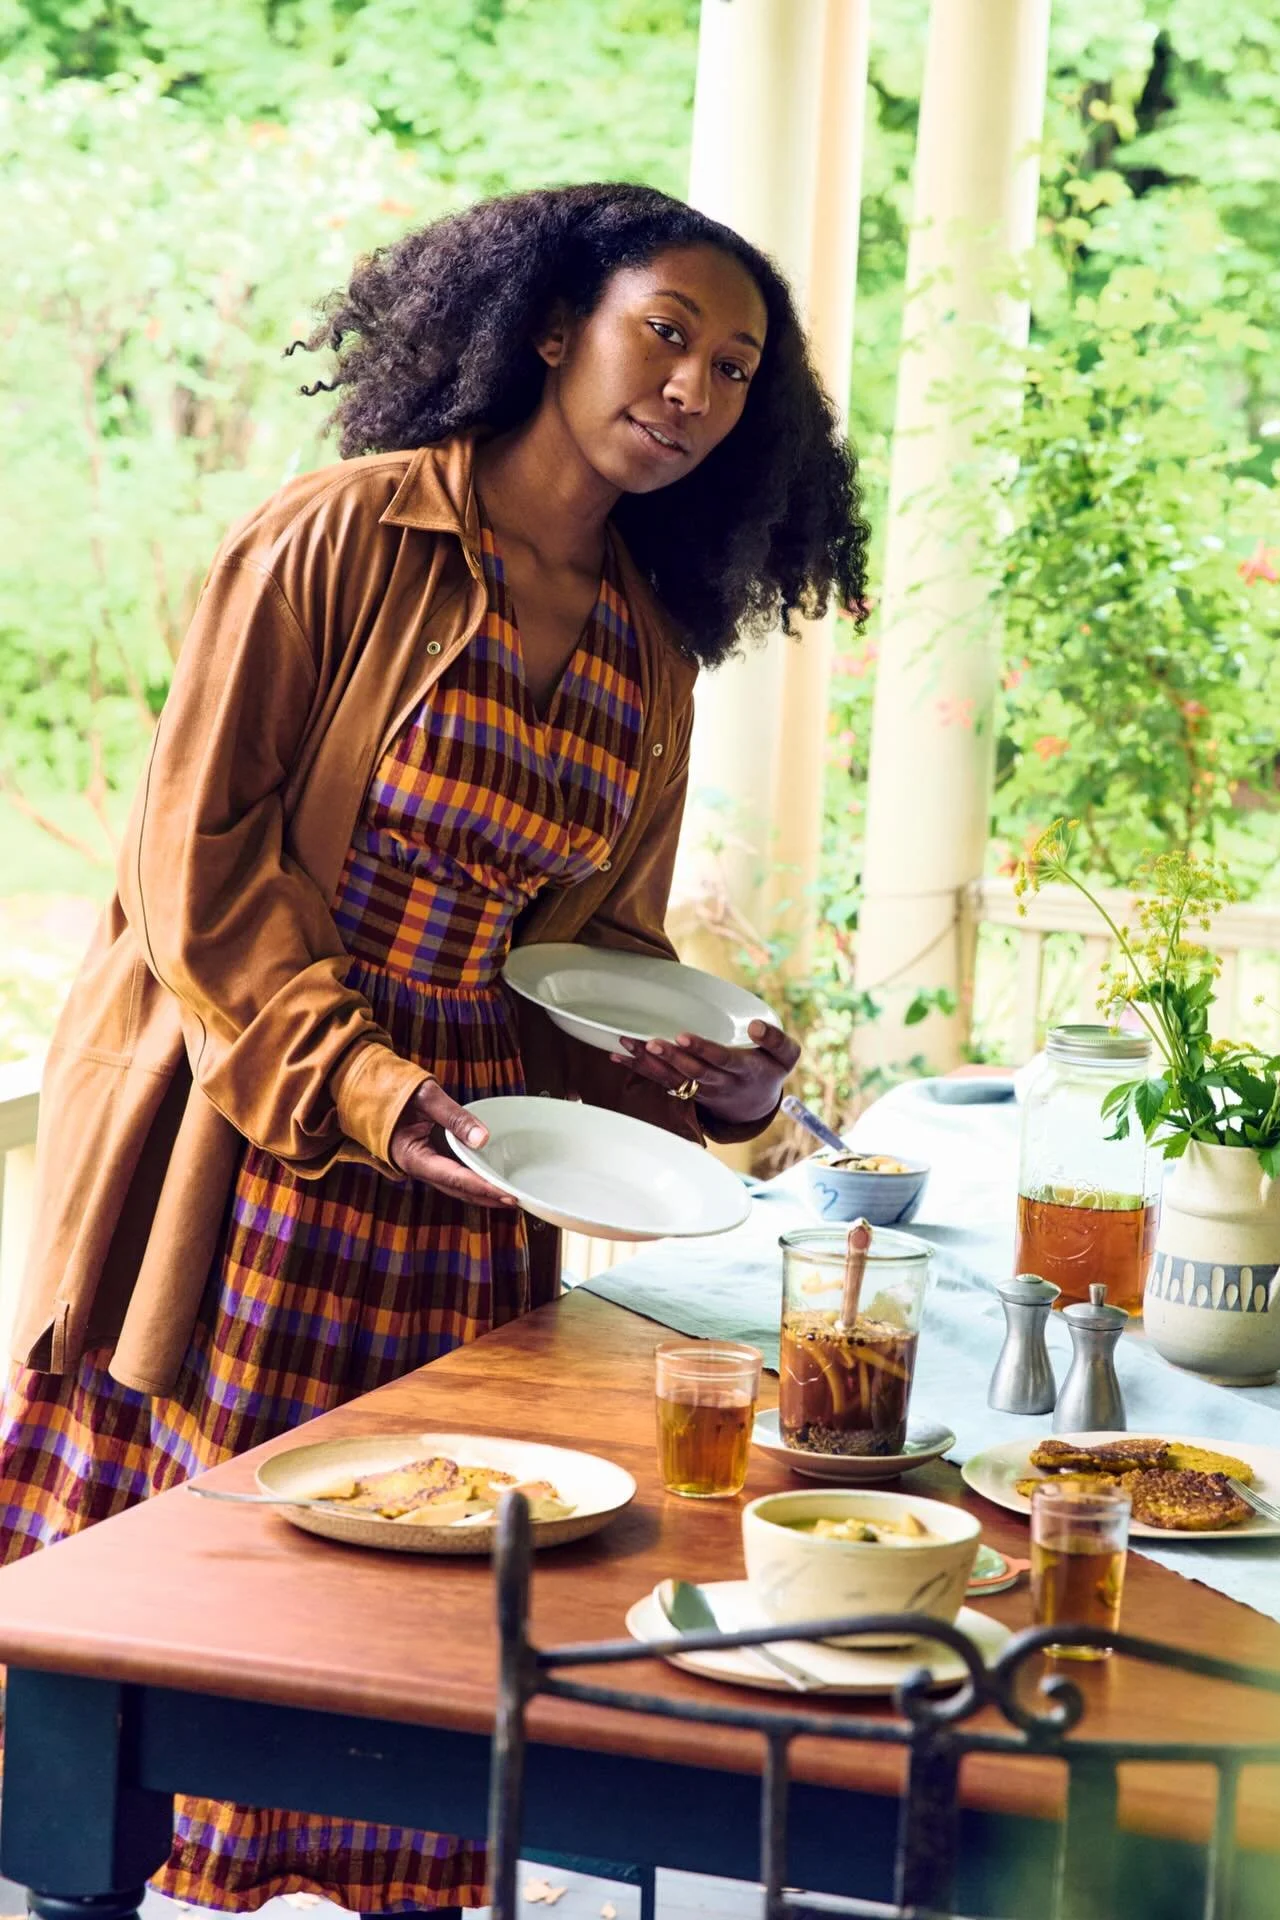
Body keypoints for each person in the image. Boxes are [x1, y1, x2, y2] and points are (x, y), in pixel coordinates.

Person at [0, 183, 868, 1913]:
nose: (694, 385)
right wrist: (372, 1093)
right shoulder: (333, 538)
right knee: (213, 1583)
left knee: (429, 1574)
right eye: (666, 332)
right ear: (556, 328)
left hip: (479, 1167)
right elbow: (201, 869)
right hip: (256, 1137)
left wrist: (722, 1083)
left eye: (735, 368)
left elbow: (593, 962)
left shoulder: (648, 653)